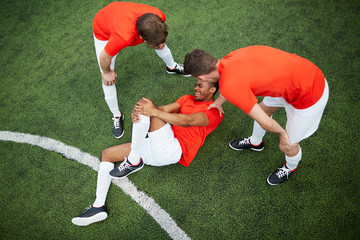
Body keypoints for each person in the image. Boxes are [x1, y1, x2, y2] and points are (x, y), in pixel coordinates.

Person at [71, 79, 223, 226]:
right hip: (157, 144)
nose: (196, 88)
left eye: (200, 86)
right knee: (107, 154)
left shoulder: (215, 112)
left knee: (150, 109)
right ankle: (98, 207)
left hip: (174, 149)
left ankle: (134, 160)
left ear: (212, 90)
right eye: (196, 85)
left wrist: (150, 112)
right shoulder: (187, 99)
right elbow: (162, 110)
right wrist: (140, 113)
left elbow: (187, 121)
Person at [184, 45, 329, 185]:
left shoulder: (231, 86)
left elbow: (266, 122)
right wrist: (218, 103)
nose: (199, 82)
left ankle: (290, 167)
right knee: (264, 109)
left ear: (203, 76)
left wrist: (282, 132)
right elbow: (228, 83)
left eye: (198, 79)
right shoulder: (231, 57)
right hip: (300, 76)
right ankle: (256, 142)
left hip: (311, 94)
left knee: (288, 145)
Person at [93, 2, 190, 139]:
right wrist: (107, 72)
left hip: (119, 14)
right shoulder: (123, 37)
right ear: (142, 39)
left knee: (160, 45)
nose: (161, 44)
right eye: (155, 44)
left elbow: (159, 40)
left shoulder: (158, 16)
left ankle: (172, 67)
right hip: (103, 28)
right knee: (107, 80)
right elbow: (104, 58)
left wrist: (159, 43)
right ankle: (117, 115)